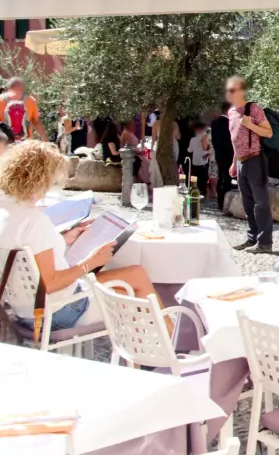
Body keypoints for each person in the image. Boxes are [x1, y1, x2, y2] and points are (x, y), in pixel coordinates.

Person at [0, 141, 161, 332]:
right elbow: (50, 283)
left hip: (22, 311)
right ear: (42, 178)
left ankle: (160, 342)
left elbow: (30, 248)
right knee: (135, 281)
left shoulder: (6, 211)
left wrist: (64, 238)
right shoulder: (35, 221)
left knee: (129, 291)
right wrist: (91, 262)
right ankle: (169, 342)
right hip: (57, 311)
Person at [225, 76, 274, 253]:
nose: (229, 93)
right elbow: (235, 140)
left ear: (242, 91)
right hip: (241, 162)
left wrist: (250, 124)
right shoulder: (231, 112)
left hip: (255, 160)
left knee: (261, 203)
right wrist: (234, 163)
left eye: (233, 90)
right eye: (228, 90)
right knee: (247, 203)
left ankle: (265, 243)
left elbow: (268, 133)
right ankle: (252, 237)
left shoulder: (253, 109)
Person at [0, 78, 46, 142]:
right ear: (22, 88)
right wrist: (45, 140)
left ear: (9, 87)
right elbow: (36, 122)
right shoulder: (30, 100)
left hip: (5, 143)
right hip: (25, 143)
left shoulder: (1, 99)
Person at [211, 103, 235, 211]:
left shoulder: (214, 123)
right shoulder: (229, 122)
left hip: (219, 154)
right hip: (229, 154)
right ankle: (225, 203)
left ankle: (220, 202)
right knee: (227, 179)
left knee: (221, 176)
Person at [187, 121, 211, 195]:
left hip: (195, 162)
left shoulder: (193, 139)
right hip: (204, 162)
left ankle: (194, 192)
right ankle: (203, 193)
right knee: (203, 179)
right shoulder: (207, 138)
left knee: (194, 179)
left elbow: (189, 150)